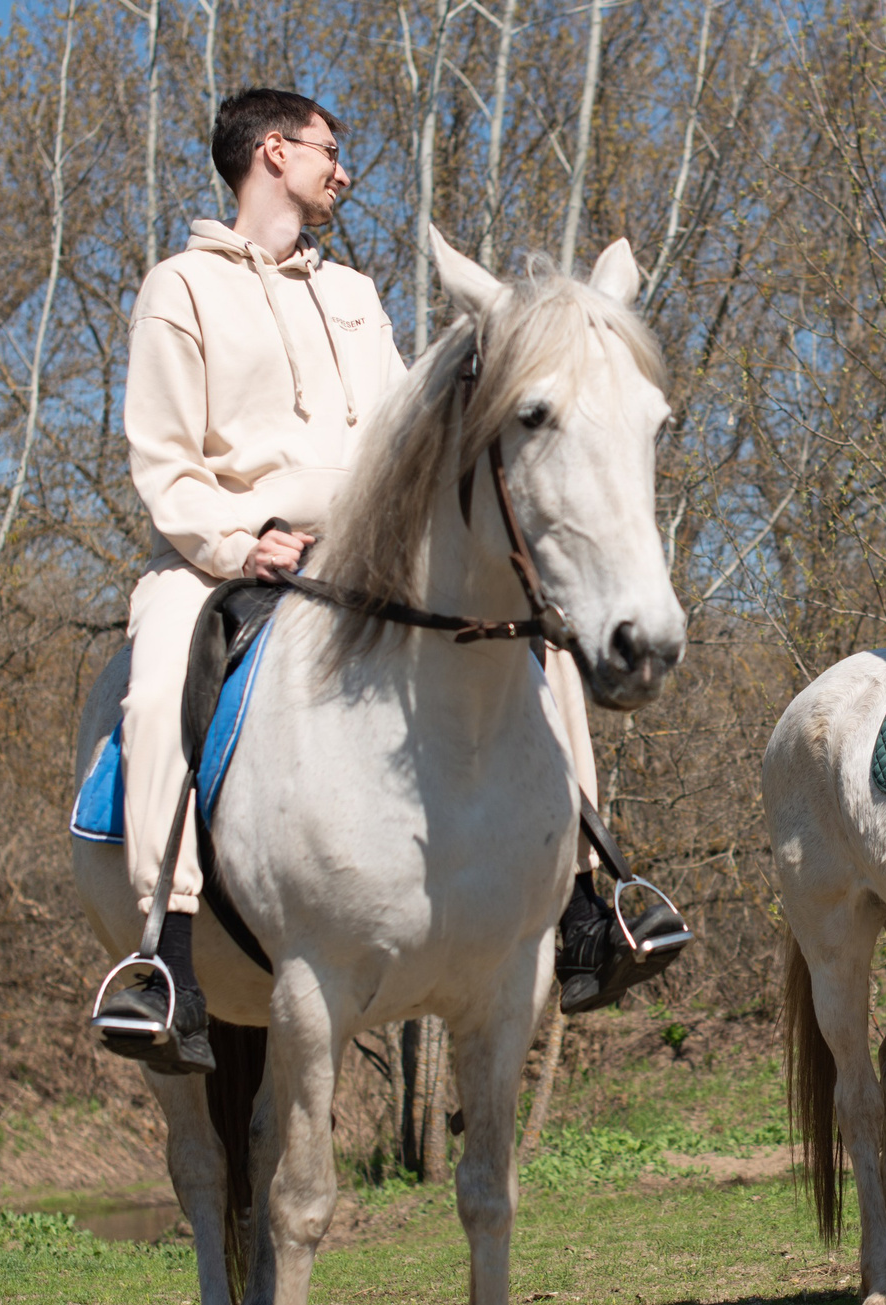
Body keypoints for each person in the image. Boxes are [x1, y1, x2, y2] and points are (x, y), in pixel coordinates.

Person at [89, 88, 647, 1073]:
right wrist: (235, 540)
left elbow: (398, 432)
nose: (340, 172)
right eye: (327, 152)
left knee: (534, 631)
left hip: (363, 542)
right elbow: (162, 461)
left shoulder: (351, 293)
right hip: (227, 545)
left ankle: (587, 897)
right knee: (160, 672)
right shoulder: (180, 287)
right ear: (272, 153)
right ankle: (164, 950)